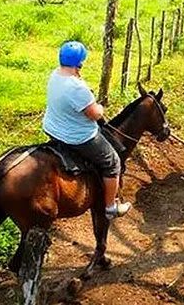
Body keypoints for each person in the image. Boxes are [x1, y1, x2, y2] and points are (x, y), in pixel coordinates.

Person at [43, 41, 131, 220]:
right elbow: (94, 114)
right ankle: (110, 207)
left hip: (52, 129)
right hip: (77, 137)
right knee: (112, 162)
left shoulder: (55, 75)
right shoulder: (77, 88)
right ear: (79, 64)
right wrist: (100, 107)